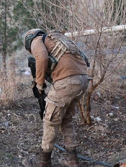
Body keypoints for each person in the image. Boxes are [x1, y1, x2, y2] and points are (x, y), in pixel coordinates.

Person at [23, 29, 90, 167]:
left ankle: (43, 162)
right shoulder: (58, 40)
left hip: (67, 81)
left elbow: (41, 58)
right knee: (66, 120)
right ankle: (72, 161)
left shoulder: (37, 40)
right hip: (82, 79)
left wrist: (39, 84)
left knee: (50, 120)